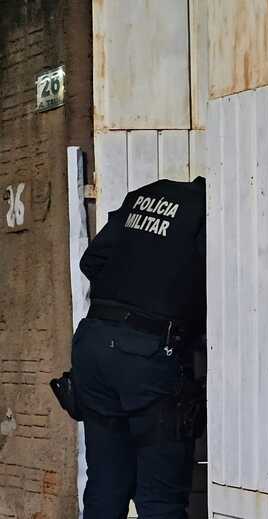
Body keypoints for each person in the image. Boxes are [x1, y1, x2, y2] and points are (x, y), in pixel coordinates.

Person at [71, 176, 206, 519]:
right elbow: (219, 284)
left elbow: (91, 262)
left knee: (105, 486)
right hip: (147, 354)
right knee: (160, 499)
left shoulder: (143, 195)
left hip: (93, 343)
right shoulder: (206, 210)